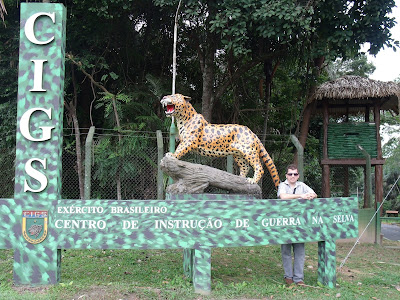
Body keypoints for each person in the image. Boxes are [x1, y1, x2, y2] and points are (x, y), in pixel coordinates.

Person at [277, 164, 317, 286]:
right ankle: (288, 277)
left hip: (300, 224)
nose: (292, 176)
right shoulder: (282, 185)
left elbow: (314, 194)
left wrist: (311, 195)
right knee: (286, 251)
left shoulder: (302, 185)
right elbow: (283, 196)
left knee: (300, 251)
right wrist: (301, 196)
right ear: (286, 175)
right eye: (290, 174)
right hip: (285, 223)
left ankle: (298, 278)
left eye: (295, 174)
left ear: (298, 175)